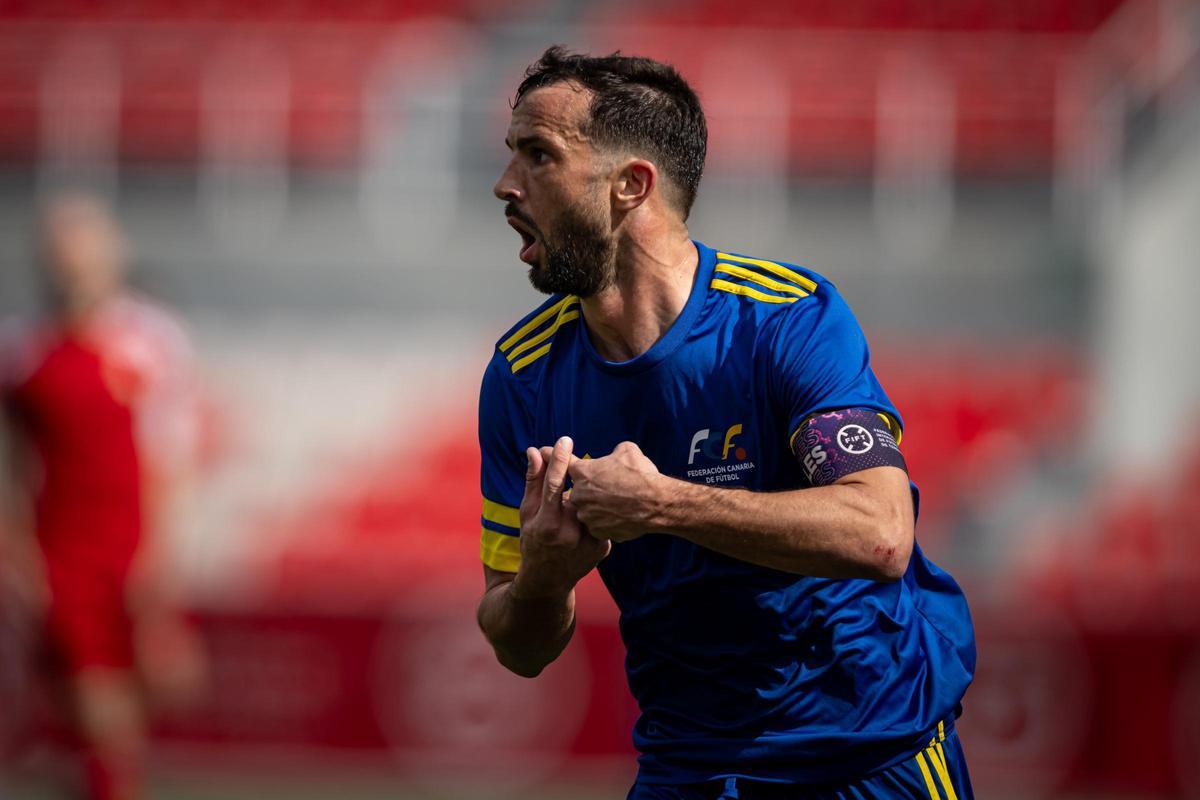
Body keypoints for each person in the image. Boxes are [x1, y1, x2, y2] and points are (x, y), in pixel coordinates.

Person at [476, 47, 976, 799]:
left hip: (871, 755)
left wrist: (663, 504)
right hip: (690, 768)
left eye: (538, 155)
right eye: (511, 154)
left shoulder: (784, 321)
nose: (505, 184)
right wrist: (545, 580)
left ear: (630, 186)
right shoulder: (520, 375)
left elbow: (881, 533)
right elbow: (516, 645)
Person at [0, 192, 205, 800]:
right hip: (61, 551)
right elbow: (14, 464)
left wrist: (162, 563)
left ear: (112, 255)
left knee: (131, 703)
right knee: (93, 702)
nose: (72, 262)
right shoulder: (23, 352)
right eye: (60, 250)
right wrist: (17, 549)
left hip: (131, 545)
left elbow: (171, 457)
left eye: (84, 248)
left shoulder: (152, 343)